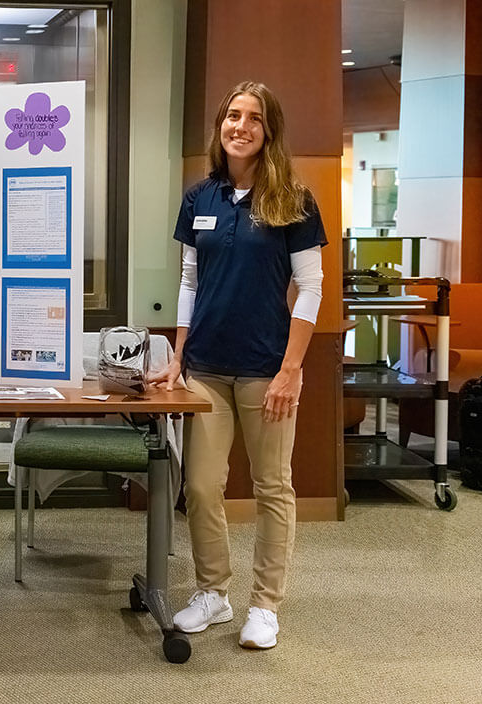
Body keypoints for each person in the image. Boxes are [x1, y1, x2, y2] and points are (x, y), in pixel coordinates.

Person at [151, 80, 325, 651]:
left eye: (253, 118)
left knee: (272, 485)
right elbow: (188, 282)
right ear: (220, 126)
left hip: (265, 367)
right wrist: (177, 356)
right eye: (232, 115)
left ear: (268, 130)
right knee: (201, 486)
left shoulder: (293, 199)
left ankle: (265, 605)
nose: (240, 126)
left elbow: (311, 286)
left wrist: (292, 369)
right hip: (205, 365)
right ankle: (212, 592)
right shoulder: (199, 197)